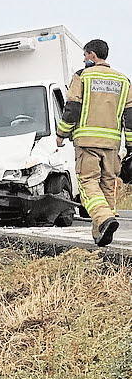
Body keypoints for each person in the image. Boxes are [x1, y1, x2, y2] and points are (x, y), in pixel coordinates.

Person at [56, 38, 132, 246]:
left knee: (88, 183)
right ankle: (101, 233)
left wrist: (61, 134)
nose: (84, 59)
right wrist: (131, 146)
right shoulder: (123, 80)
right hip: (112, 145)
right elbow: (130, 116)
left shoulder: (82, 76)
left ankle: (103, 217)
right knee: (107, 184)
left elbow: (72, 108)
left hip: (88, 142)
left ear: (92, 55)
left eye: (84, 55)